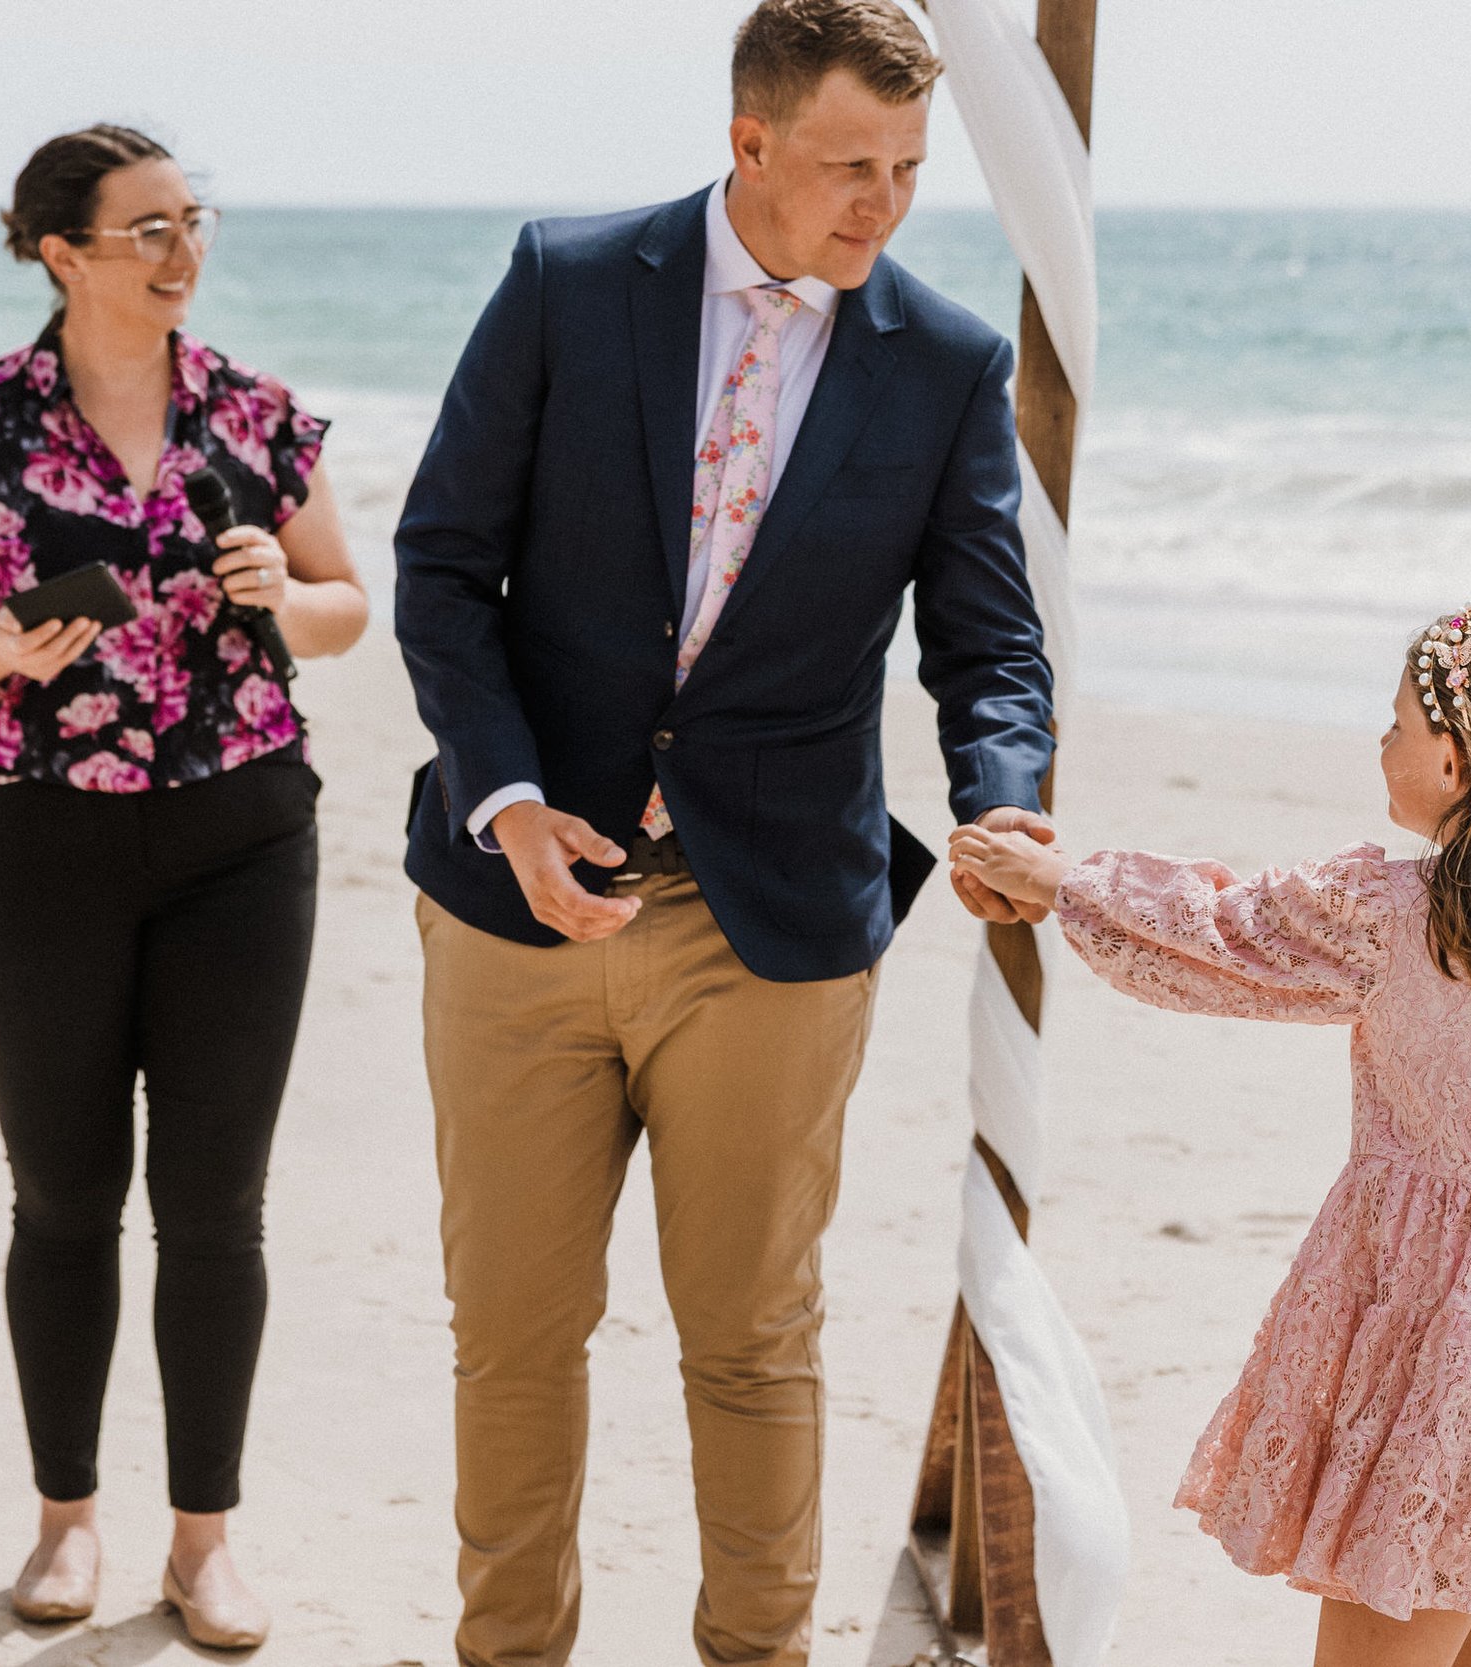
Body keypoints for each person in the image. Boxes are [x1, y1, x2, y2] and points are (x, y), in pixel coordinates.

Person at [391, 1, 1054, 1661]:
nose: (882, 203)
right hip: (515, 900)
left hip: (778, 925)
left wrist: (1002, 794)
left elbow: (987, 643)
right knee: (514, 1337)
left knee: (756, 1340)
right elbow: (441, 568)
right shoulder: (564, 281)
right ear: (751, 141)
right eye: (850, 166)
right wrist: (514, 797)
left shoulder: (952, 360)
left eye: (908, 169)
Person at [950, 598, 1471, 1667]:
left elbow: (1223, 935)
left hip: (1446, 1361)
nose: (1382, 739)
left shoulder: (1397, 913)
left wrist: (1060, 881)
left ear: (1455, 763)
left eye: (1399, 721)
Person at [0, 125, 368, 1648]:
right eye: (146, 227)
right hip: (28, 838)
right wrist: (3, 649)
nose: (181, 250)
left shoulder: (259, 416)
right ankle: (67, 1521)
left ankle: (204, 1541)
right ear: (61, 251)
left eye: (192, 220)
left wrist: (289, 597)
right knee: (64, 1194)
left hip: (241, 834)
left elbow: (348, 607)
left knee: (217, 1203)